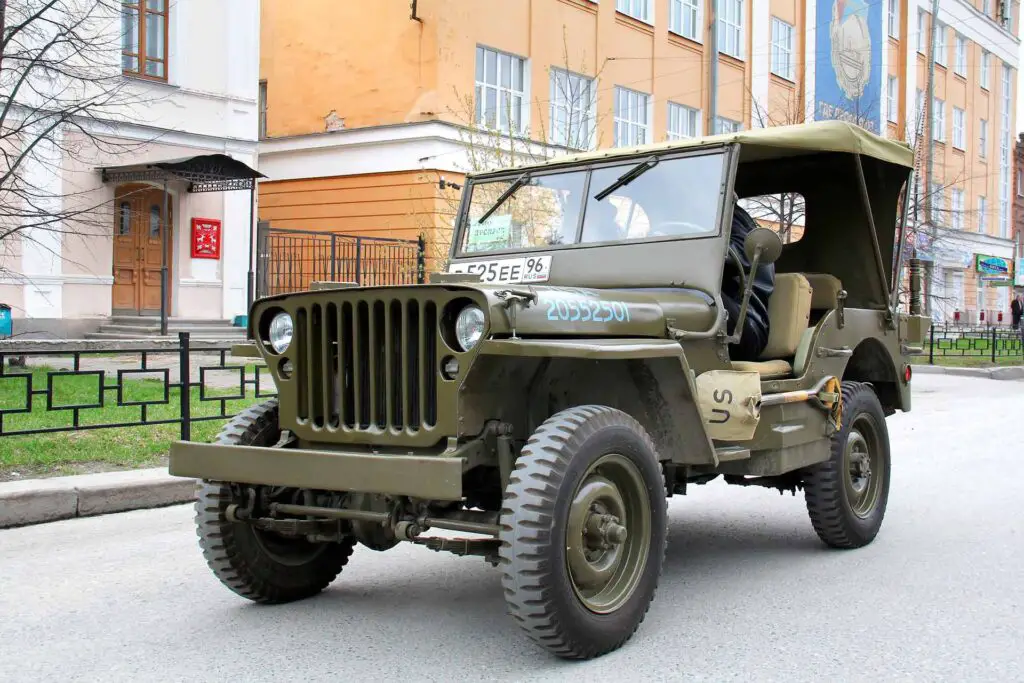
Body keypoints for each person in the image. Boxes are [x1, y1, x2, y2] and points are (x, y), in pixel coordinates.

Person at [720, 204, 775, 361]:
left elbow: (743, 253)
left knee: (691, 292)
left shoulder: (728, 212)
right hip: (720, 317)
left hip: (746, 327)